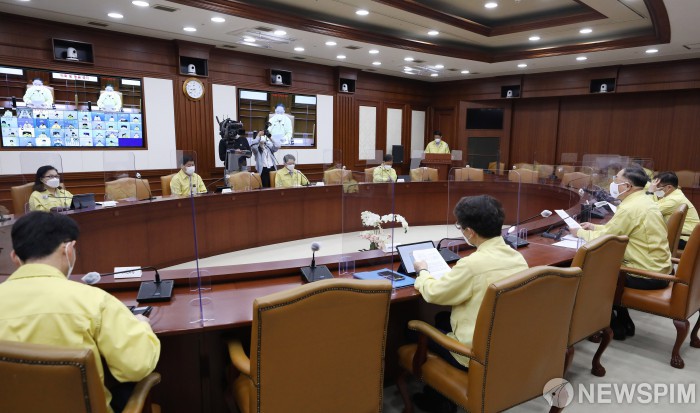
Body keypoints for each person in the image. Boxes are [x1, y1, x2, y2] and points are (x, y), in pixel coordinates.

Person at [0, 212, 160, 413]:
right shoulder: (94, 301)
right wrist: (142, 325)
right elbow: (136, 366)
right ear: (68, 249)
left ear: (15, 257)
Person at [411, 195, 528, 412]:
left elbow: (434, 293)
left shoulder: (472, 265)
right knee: (442, 318)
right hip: (506, 344)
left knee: (412, 329)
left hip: (473, 354)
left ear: (470, 232)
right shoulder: (517, 258)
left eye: (460, 227)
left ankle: (438, 402)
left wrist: (423, 271)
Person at [571, 165, 671, 340]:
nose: (613, 183)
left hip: (645, 274)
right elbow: (617, 229)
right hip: (659, 269)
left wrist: (579, 232)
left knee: (589, 274)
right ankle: (624, 322)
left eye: (616, 179)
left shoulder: (630, 208)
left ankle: (607, 326)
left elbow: (607, 239)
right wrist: (594, 226)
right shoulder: (644, 201)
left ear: (627, 186)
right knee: (606, 269)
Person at [649, 171, 699, 250]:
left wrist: (650, 192)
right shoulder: (673, 195)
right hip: (682, 237)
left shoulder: (674, 200)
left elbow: (648, 211)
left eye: (657, 187)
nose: (655, 190)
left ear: (669, 187)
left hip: (685, 239)